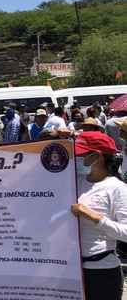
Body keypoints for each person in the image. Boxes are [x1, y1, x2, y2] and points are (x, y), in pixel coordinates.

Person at [71, 128, 127, 300]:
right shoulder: (75, 182)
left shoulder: (116, 189)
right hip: (72, 270)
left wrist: (95, 217)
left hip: (102, 271)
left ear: (97, 156)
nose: (78, 159)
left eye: (81, 155)